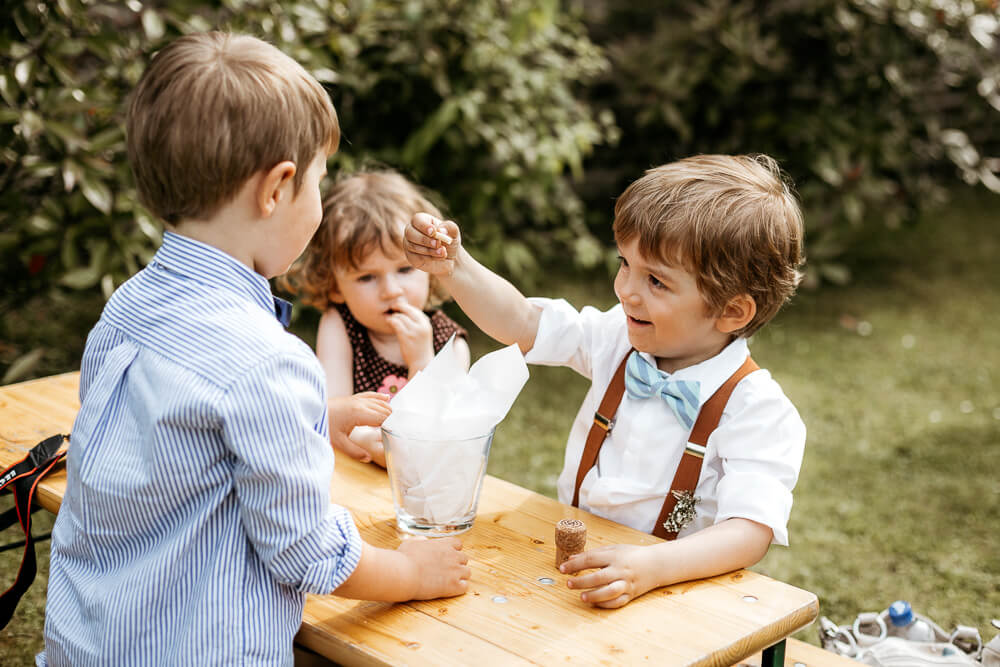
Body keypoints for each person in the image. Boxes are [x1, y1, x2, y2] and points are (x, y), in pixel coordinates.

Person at [40, 33, 469, 666]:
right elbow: (309, 554)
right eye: (320, 184)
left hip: (87, 645)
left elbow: (181, 452)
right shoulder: (267, 361)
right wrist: (414, 571)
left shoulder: (128, 306)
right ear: (277, 189)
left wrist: (318, 423)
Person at [404, 154, 806, 609]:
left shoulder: (758, 410)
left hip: (674, 593)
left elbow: (748, 531)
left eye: (656, 280)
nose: (626, 289)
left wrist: (653, 567)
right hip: (569, 572)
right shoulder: (616, 339)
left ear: (732, 311)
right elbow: (522, 322)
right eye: (625, 264)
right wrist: (456, 267)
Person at [280, 170, 470, 467]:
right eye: (367, 277)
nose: (391, 291)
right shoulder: (340, 325)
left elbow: (444, 432)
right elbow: (332, 412)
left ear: (430, 266)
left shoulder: (450, 342)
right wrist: (365, 439)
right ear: (335, 285)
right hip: (357, 472)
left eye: (405, 270)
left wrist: (421, 358)